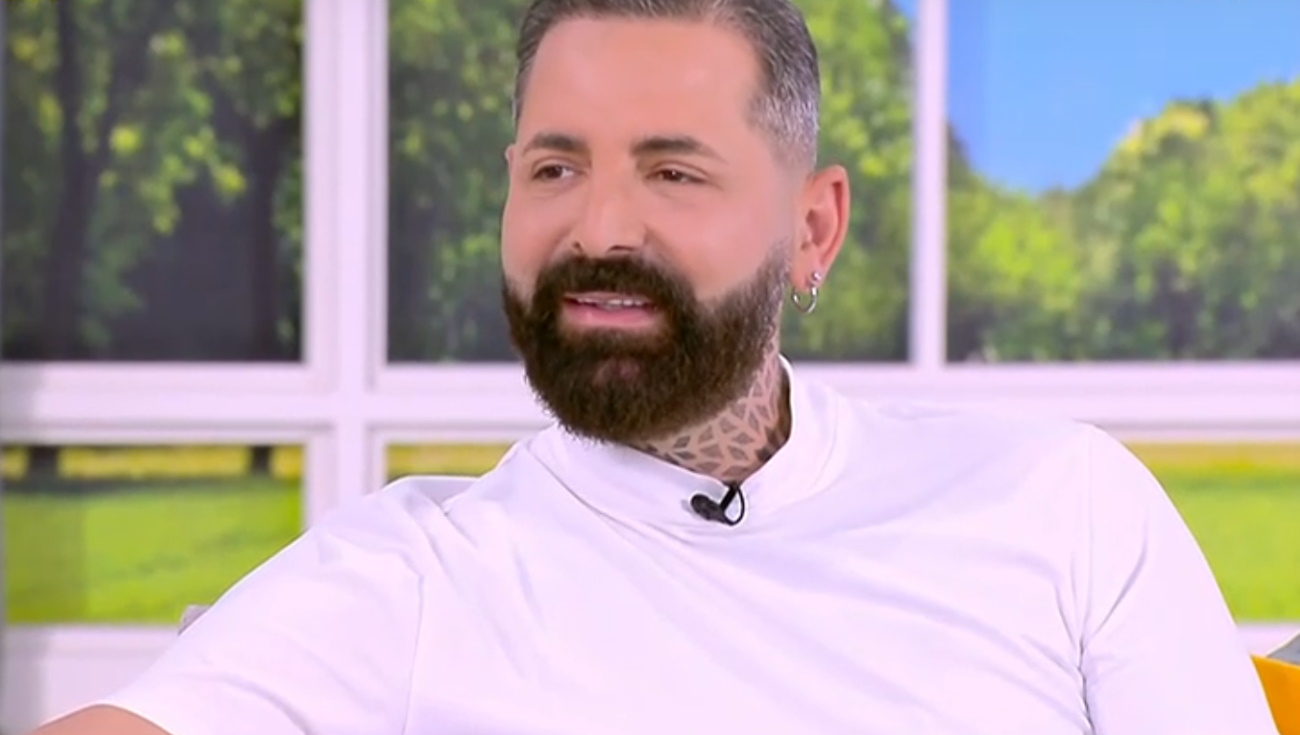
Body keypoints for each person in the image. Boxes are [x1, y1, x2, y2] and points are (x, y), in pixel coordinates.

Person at [32, 1, 1280, 733]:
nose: (600, 229)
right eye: (555, 168)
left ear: (812, 229)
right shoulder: (407, 578)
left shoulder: (1061, 504)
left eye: (672, 172)